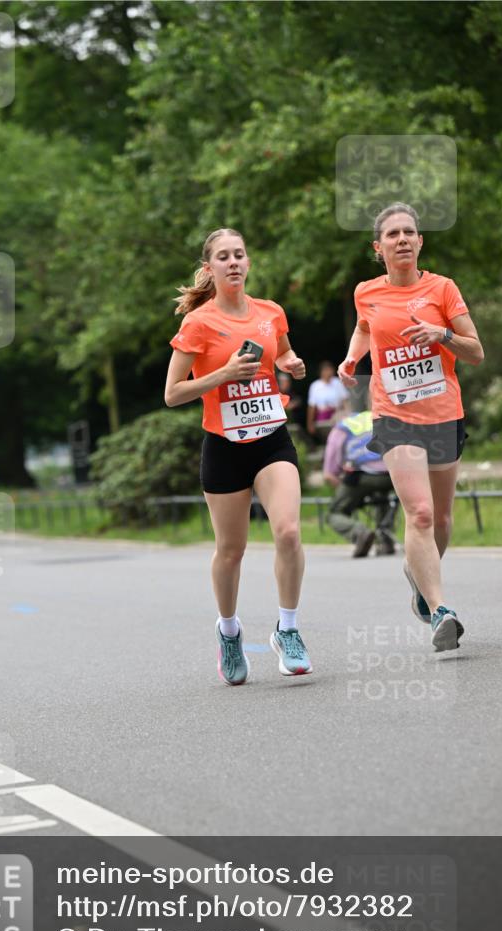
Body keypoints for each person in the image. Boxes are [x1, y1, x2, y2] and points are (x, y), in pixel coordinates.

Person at [164, 228, 311, 685]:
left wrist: (290, 363)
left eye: (239, 255)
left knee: (287, 531)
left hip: (271, 437)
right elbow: (172, 393)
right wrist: (223, 374)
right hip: (224, 447)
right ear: (210, 269)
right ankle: (228, 632)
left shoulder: (271, 313)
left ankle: (287, 630)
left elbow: (282, 351)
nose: (233, 262)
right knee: (232, 550)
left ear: (248, 264)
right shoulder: (198, 324)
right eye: (223, 257)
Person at [337, 202, 484, 650]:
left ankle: (417, 577)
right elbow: (365, 327)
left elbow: (475, 351)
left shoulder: (443, 289)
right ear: (377, 248)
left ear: (420, 241)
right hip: (394, 414)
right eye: (392, 235)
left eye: (409, 232)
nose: (401, 239)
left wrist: (442, 336)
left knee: (439, 517)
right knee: (418, 513)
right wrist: (351, 356)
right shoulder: (367, 292)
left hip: (443, 414)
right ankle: (441, 609)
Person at [323, 409, 397, 557]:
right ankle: (386, 539)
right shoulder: (374, 416)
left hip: (361, 475)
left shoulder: (341, 427)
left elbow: (330, 474)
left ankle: (360, 533)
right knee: (383, 496)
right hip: (392, 473)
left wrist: (350, 496)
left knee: (334, 513)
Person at [307, 360, 349, 444]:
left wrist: (348, 416)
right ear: (321, 372)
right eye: (325, 370)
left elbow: (345, 401)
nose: (328, 372)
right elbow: (311, 407)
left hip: (337, 416)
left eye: (329, 370)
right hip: (322, 419)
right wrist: (310, 424)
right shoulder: (315, 386)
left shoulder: (338, 383)